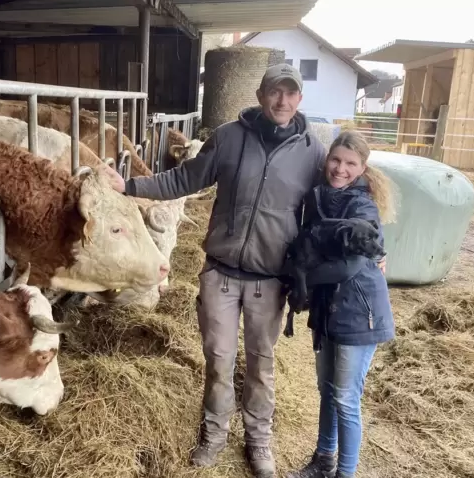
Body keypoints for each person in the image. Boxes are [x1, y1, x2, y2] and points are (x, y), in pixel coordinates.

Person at [103, 63, 327, 478]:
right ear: (261, 95)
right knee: (219, 358)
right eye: (275, 92)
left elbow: (329, 205)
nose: (282, 101)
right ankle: (215, 434)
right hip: (221, 273)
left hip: (270, 279)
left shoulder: (312, 151)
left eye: (290, 93)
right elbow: (184, 179)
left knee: (261, 362)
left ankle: (259, 442)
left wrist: (368, 246)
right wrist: (129, 187)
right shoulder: (228, 137)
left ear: (299, 99)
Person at [285, 130, 396, 478]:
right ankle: (323, 461)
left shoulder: (361, 206)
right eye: (335, 159)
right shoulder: (317, 199)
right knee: (327, 390)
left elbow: (349, 266)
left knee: (346, 399)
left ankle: (344, 474)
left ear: (362, 169)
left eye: (350, 163)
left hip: (358, 313)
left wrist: (299, 278)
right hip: (327, 309)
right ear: (326, 160)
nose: (340, 169)